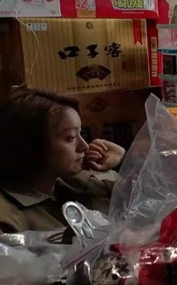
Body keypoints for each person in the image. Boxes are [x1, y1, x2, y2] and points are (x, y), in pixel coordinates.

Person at [0, 89, 126, 233]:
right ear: (31, 144)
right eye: (71, 138)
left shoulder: (79, 182)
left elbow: (142, 198)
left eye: (81, 133)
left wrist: (124, 161)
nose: (84, 146)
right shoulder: (7, 220)